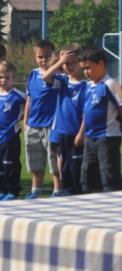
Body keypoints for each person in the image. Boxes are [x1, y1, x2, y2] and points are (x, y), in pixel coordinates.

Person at [79, 48, 122, 193]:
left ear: (101, 64)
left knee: (108, 174)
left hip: (107, 137)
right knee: (88, 174)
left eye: (88, 67)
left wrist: (120, 121)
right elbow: (86, 111)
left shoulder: (110, 84)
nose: (86, 72)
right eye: (83, 69)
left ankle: (115, 206)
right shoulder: (88, 86)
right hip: (90, 138)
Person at [42, 44, 87, 195]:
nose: (70, 66)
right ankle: (66, 192)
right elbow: (45, 76)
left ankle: (78, 193)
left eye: (73, 62)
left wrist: (81, 133)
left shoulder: (85, 85)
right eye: (66, 63)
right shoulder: (62, 80)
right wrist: (59, 62)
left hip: (77, 134)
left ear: (80, 62)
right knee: (64, 166)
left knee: (76, 166)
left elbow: (87, 113)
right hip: (63, 132)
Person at [24, 40, 63, 199]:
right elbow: (29, 100)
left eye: (47, 56)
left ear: (54, 56)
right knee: (35, 163)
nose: (43, 60)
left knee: (54, 163)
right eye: (40, 56)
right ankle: (36, 192)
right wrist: (26, 123)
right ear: (35, 57)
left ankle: (58, 191)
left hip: (51, 125)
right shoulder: (33, 74)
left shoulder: (58, 76)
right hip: (33, 125)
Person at [0, 61, 25, 201]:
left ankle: (12, 191)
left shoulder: (18, 95)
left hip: (10, 137)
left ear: (14, 79)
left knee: (10, 165)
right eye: (0, 77)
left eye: (7, 77)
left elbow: (32, 105)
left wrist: (20, 118)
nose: (3, 80)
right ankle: (2, 190)